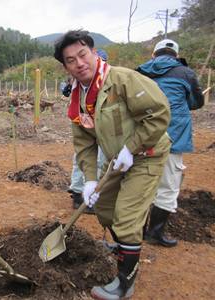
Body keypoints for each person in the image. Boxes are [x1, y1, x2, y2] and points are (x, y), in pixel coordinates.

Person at [54, 30, 171, 300]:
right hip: (116, 158)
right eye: (71, 60)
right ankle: (123, 245)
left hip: (147, 153)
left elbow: (159, 114)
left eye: (82, 55)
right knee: (105, 206)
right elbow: (84, 144)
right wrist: (90, 180)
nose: (79, 63)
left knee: (126, 215)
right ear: (66, 67)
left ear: (94, 53)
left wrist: (132, 148)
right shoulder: (78, 97)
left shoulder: (122, 79)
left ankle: (124, 283)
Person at [137, 39, 204, 247]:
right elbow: (196, 102)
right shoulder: (185, 73)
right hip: (173, 136)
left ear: (153, 55)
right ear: (176, 56)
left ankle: (133, 234)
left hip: (142, 136)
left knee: (138, 186)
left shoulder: (139, 72)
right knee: (167, 186)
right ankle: (155, 234)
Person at [67, 48, 108, 213]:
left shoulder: (88, 80)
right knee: (90, 157)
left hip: (91, 123)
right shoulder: (89, 82)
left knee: (83, 157)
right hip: (89, 124)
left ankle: (79, 191)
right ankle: (81, 194)